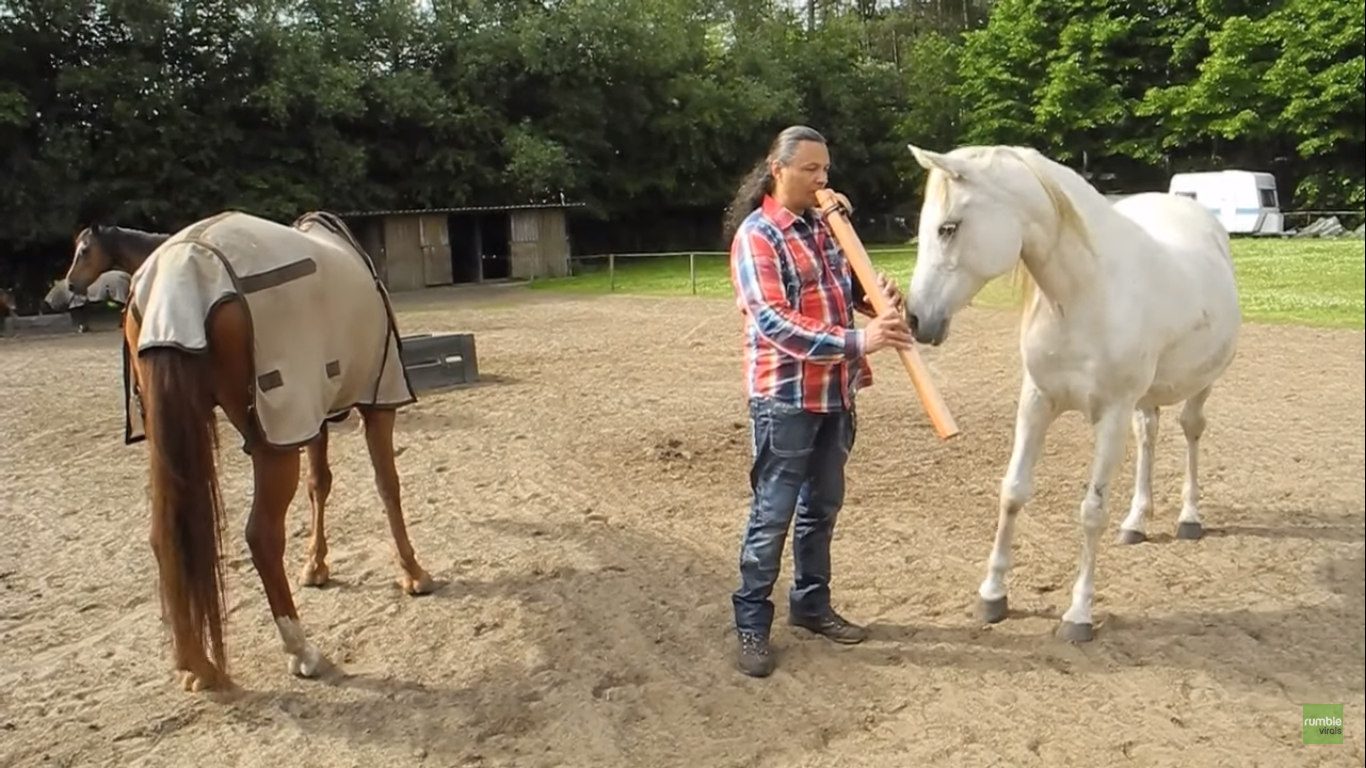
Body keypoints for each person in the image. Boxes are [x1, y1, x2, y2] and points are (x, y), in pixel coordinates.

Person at [724, 125, 915, 678]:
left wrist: (877, 298)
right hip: (784, 397)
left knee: (821, 508)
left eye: (825, 170)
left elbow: (842, 292)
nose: (822, 180)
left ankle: (810, 605)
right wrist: (862, 340)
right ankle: (752, 625)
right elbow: (774, 321)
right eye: (811, 169)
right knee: (773, 513)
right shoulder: (757, 237)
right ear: (778, 170)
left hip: (837, 393)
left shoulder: (826, 229)